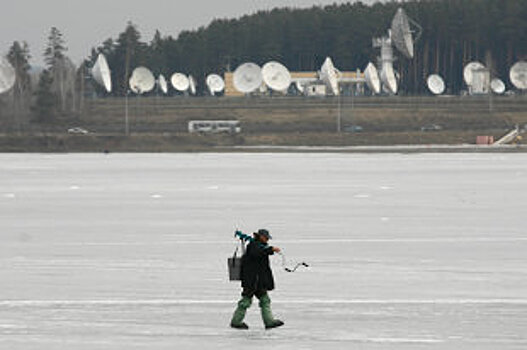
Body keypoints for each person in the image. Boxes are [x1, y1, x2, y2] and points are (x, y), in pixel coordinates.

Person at [230, 229, 285, 330]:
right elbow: (257, 253)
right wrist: (271, 249)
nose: (267, 239)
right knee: (246, 301)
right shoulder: (253, 245)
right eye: (266, 237)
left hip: (258, 281)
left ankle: (269, 321)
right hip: (252, 281)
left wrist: (269, 249)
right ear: (261, 236)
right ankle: (236, 322)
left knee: (265, 300)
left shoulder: (257, 245)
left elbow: (261, 251)